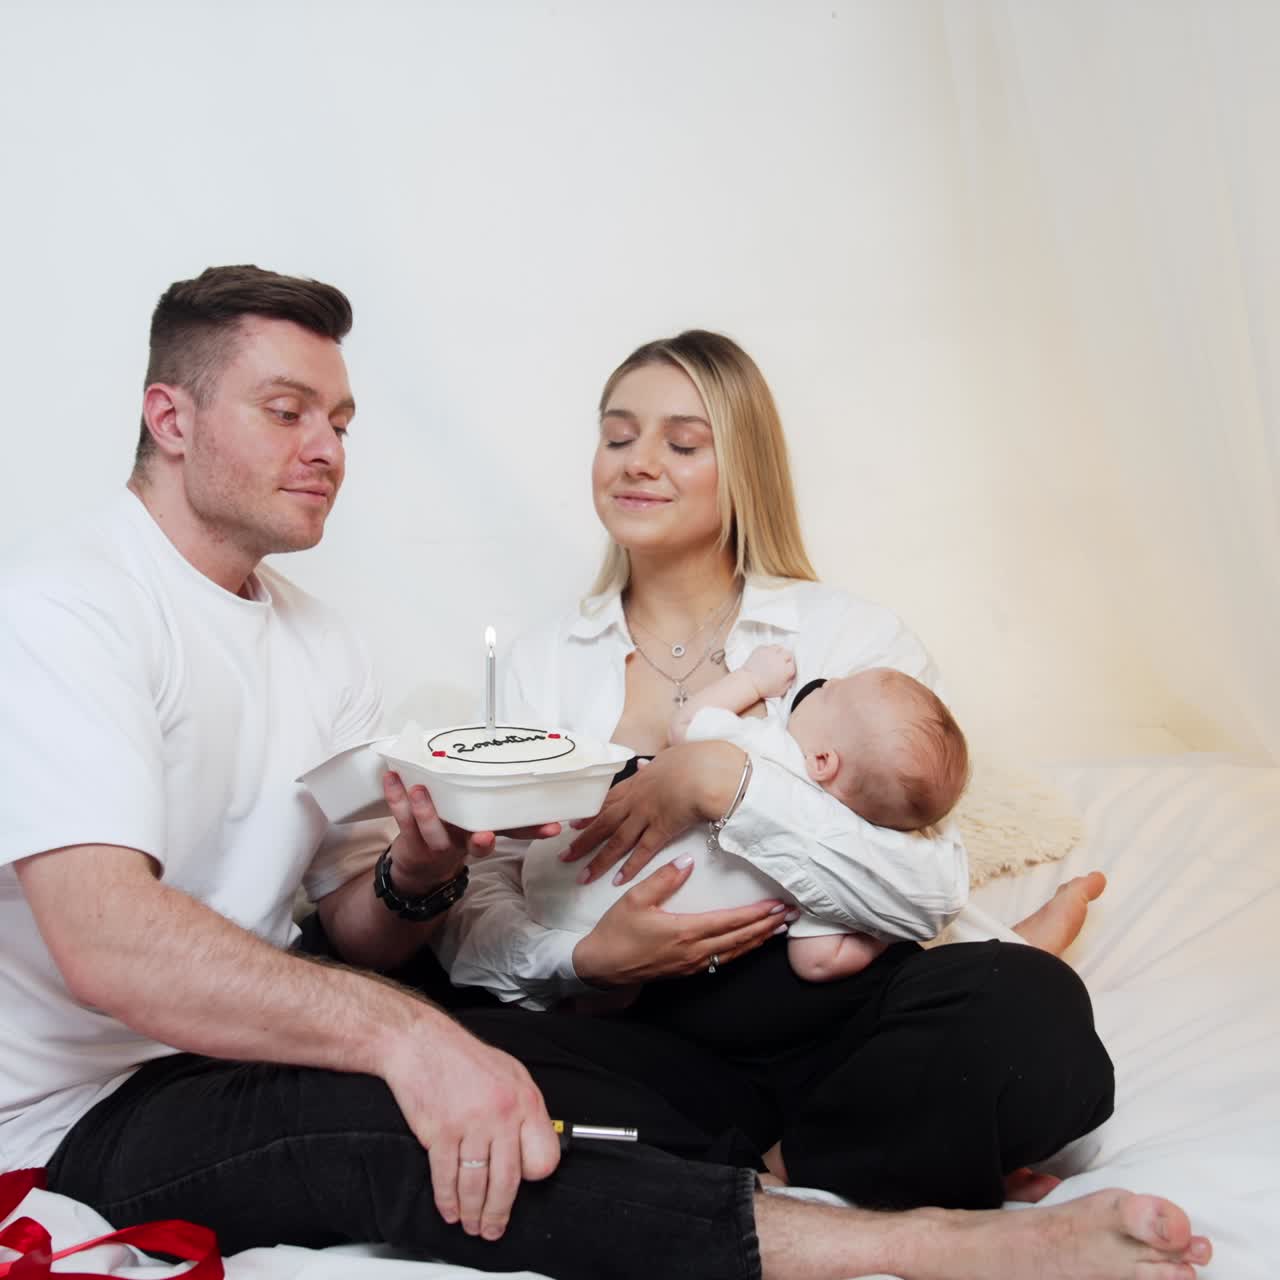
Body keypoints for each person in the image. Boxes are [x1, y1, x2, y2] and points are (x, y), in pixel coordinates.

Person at [0, 270, 1212, 1280]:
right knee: (466, 1090)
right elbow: (127, 942)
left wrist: (429, 872)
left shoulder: (326, 644)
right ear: (169, 417)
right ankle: (922, 1231)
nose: (327, 449)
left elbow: (356, 927)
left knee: (1016, 1013)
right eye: (287, 411)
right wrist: (499, 987)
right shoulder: (69, 610)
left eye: (342, 421)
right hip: (174, 1084)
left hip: (807, 996)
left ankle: (775, 1151)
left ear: (736, 465)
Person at [435, 328, 1117, 1210]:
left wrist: (722, 784)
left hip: (844, 1016)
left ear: (745, 467)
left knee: (1028, 1007)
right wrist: (584, 958)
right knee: (454, 1049)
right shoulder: (541, 666)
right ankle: (866, 1155)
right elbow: (478, 903)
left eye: (681, 443)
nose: (638, 463)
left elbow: (923, 887)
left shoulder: (853, 642)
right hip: (648, 1040)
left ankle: (764, 1168)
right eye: (617, 436)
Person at [521, 652, 970, 985]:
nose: (825, 681)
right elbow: (815, 962)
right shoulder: (826, 880)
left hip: (554, 865)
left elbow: (687, 724)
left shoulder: (769, 747)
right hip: (605, 940)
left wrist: (753, 680)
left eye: (831, 691)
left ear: (822, 761)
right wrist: (875, 932)